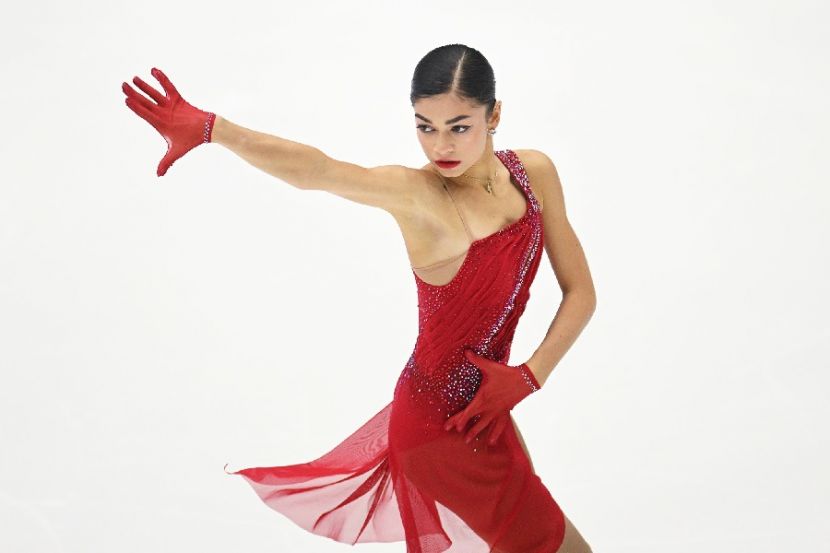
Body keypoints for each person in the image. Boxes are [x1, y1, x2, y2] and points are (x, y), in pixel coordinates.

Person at [122, 44, 596, 553]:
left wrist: (529, 376)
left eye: (459, 127)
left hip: (488, 413)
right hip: (438, 427)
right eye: (425, 127)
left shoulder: (534, 173)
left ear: (494, 115)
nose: (440, 146)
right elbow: (320, 170)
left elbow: (581, 292)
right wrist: (214, 129)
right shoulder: (416, 194)